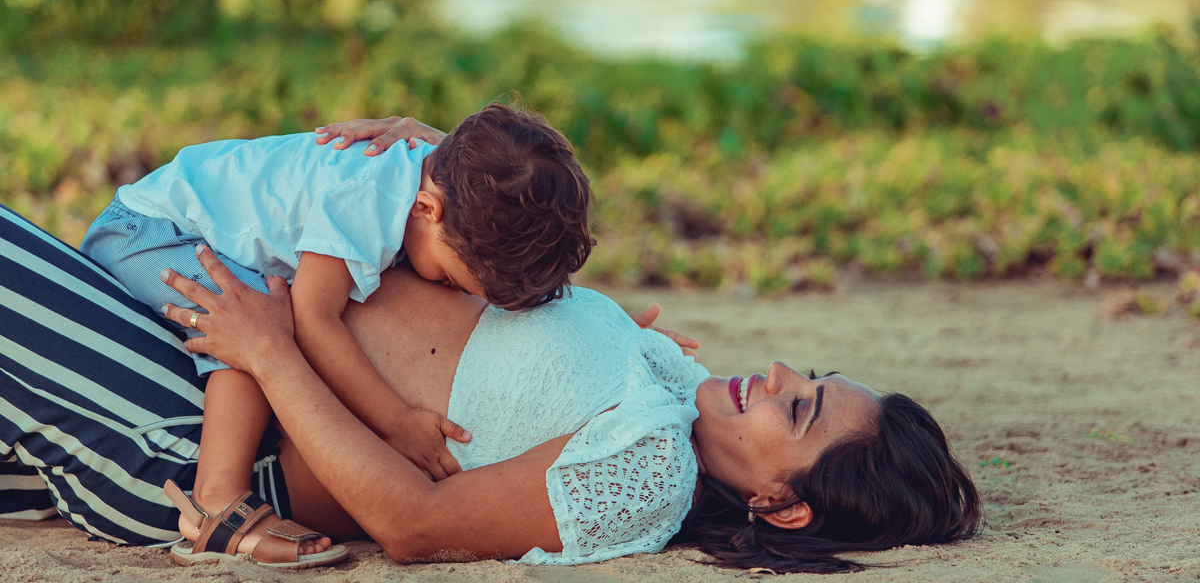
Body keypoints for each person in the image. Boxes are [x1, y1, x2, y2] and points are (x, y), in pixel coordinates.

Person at [0, 202, 980, 574]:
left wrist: (275, 354)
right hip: (209, 351)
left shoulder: (649, 476)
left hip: (200, 433)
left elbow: (417, 522)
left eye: (797, 406)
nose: (773, 374)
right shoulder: (667, 381)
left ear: (784, 503)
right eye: (804, 375)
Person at [75, 103, 595, 567]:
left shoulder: (434, 170)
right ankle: (215, 501)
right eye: (454, 279)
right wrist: (397, 423)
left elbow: (489, 161)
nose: (452, 291)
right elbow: (314, 320)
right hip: (151, 232)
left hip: (175, 224)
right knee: (256, 324)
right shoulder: (364, 199)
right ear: (428, 211)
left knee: (269, 314)